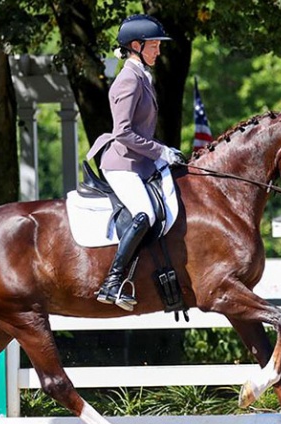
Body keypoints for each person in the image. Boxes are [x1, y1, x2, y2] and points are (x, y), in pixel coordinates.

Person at [87, 13, 185, 311]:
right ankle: (113, 281)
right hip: (122, 163)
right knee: (144, 213)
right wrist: (161, 151)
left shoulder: (142, 76)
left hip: (141, 163)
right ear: (136, 46)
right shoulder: (127, 80)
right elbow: (123, 132)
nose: (158, 50)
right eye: (154, 45)